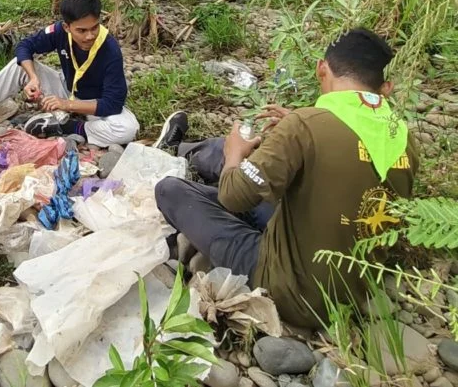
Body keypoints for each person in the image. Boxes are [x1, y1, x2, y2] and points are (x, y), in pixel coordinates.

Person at [153, 28, 418, 328]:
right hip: (352, 292)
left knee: (171, 190)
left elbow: (232, 196)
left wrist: (235, 155)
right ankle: (179, 150)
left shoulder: (305, 126)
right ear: (386, 88)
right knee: (226, 154)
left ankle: (176, 156)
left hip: (292, 292)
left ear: (321, 69)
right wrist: (294, 127)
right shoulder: (404, 138)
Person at [0, 0, 139, 147]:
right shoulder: (59, 32)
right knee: (19, 65)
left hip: (93, 104)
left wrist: (66, 105)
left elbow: (113, 104)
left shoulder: (110, 49)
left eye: (94, 28)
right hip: (66, 88)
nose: (89, 36)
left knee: (128, 128)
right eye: (82, 31)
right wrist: (33, 78)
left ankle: (68, 127)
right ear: (67, 27)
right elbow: (25, 46)